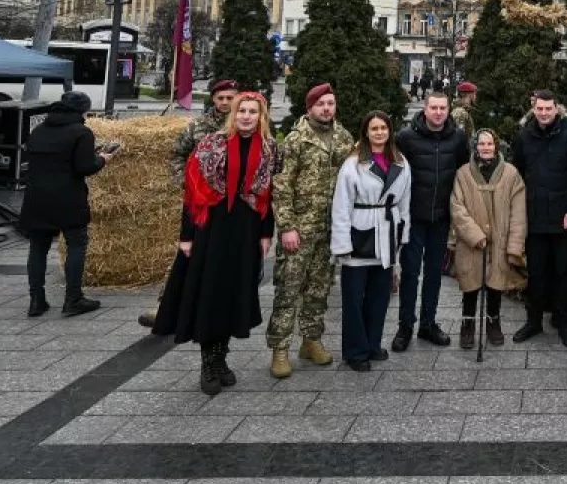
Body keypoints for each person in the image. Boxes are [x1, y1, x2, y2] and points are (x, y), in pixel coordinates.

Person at [153, 91, 278, 396]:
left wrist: (265, 234)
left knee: (234, 294)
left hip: (246, 230)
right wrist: (186, 236)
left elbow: (268, 196)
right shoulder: (211, 145)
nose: (246, 116)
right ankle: (208, 363)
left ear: (262, 116)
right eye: (241, 111)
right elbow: (193, 193)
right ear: (232, 114)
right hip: (212, 229)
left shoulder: (270, 149)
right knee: (210, 294)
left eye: (253, 111)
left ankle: (221, 358)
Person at [266, 82, 355, 379]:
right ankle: (280, 349)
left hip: (330, 229)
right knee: (289, 289)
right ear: (310, 108)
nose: (327, 109)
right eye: (321, 104)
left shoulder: (344, 138)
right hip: (300, 229)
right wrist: (287, 227)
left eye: (330, 103)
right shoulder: (295, 140)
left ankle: (311, 340)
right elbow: (281, 186)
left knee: (319, 288)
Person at [139, 79, 238, 328]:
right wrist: (187, 182)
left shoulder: (244, 123)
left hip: (232, 203)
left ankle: (212, 307)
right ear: (213, 99)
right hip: (200, 202)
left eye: (230, 98)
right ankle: (166, 304)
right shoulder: (198, 126)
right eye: (220, 98)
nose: (225, 103)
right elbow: (177, 155)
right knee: (187, 252)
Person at [329, 111, 412, 371]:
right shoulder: (353, 164)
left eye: (383, 128)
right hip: (359, 231)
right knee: (354, 297)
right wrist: (341, 243)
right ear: (366, 132)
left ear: (389, 131)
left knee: (379, 295)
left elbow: (405, 201)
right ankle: (356, 351)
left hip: (387, 232)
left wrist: (403, 233)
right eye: (374, 128)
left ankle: (373, 343)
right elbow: (341, 206)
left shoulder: (400, 162)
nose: (379, 133)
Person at [21, 91, 110, 318]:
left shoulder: (38, 130)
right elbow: (84, 168)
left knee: (38, 247)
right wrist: (102, 159)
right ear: (82, 111)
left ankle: (36, 300)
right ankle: (73, 299)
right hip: (68, 198)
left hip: (36, 198)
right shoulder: (82, 132)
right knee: (76, 244)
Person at [393, 90, 471, 351]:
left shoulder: (458, 138)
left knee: (434, 273)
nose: (438, 113)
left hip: (441, 218)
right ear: (425, 109)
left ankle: (428, 323)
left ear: (448, 110)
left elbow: (462, 172)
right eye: (434, 108)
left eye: (443, 108)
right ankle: (405, 325)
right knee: (411, 273)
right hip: (414, 216)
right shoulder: (406, 137)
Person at [510, 90, 567, 347]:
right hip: (534, 217)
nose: (544, 113)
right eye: (539, 109)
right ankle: (533, 321)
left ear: (557, 109)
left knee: (565, 273)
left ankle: (565, 324)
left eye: (548, 109)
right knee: (536, 273)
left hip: (564, 218)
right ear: (534, 109)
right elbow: (518, 173)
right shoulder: (524, 137)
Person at [451, 129, 528, 349]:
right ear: (475, 146)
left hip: (500, 240)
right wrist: (474, 235)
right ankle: (467, 324)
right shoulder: (463, 174)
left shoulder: (511, 174)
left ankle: (493, 322)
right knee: (470, 284)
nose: (486, 148)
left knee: (496, 284)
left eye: (490, 144)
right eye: (481, 144)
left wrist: (515, 245)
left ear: (496, 146)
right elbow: (457, 208)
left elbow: (518, 212)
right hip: (472, 243)